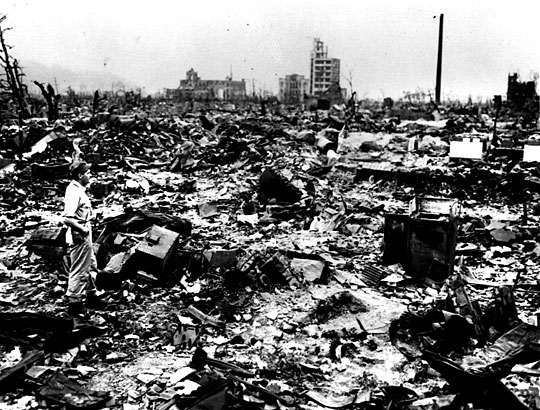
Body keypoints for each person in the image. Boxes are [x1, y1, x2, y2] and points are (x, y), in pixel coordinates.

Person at [63, 160, 106, 317]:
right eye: (87, 173)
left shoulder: (78, 189)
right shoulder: (74, 192)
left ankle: (91, 296)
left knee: (91, 265)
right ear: (80, 175)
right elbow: (67, 218)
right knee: (80, 268)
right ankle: (75, 303)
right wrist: (83, 229)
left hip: (85, 232)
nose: (90, 175)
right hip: (80, 234)